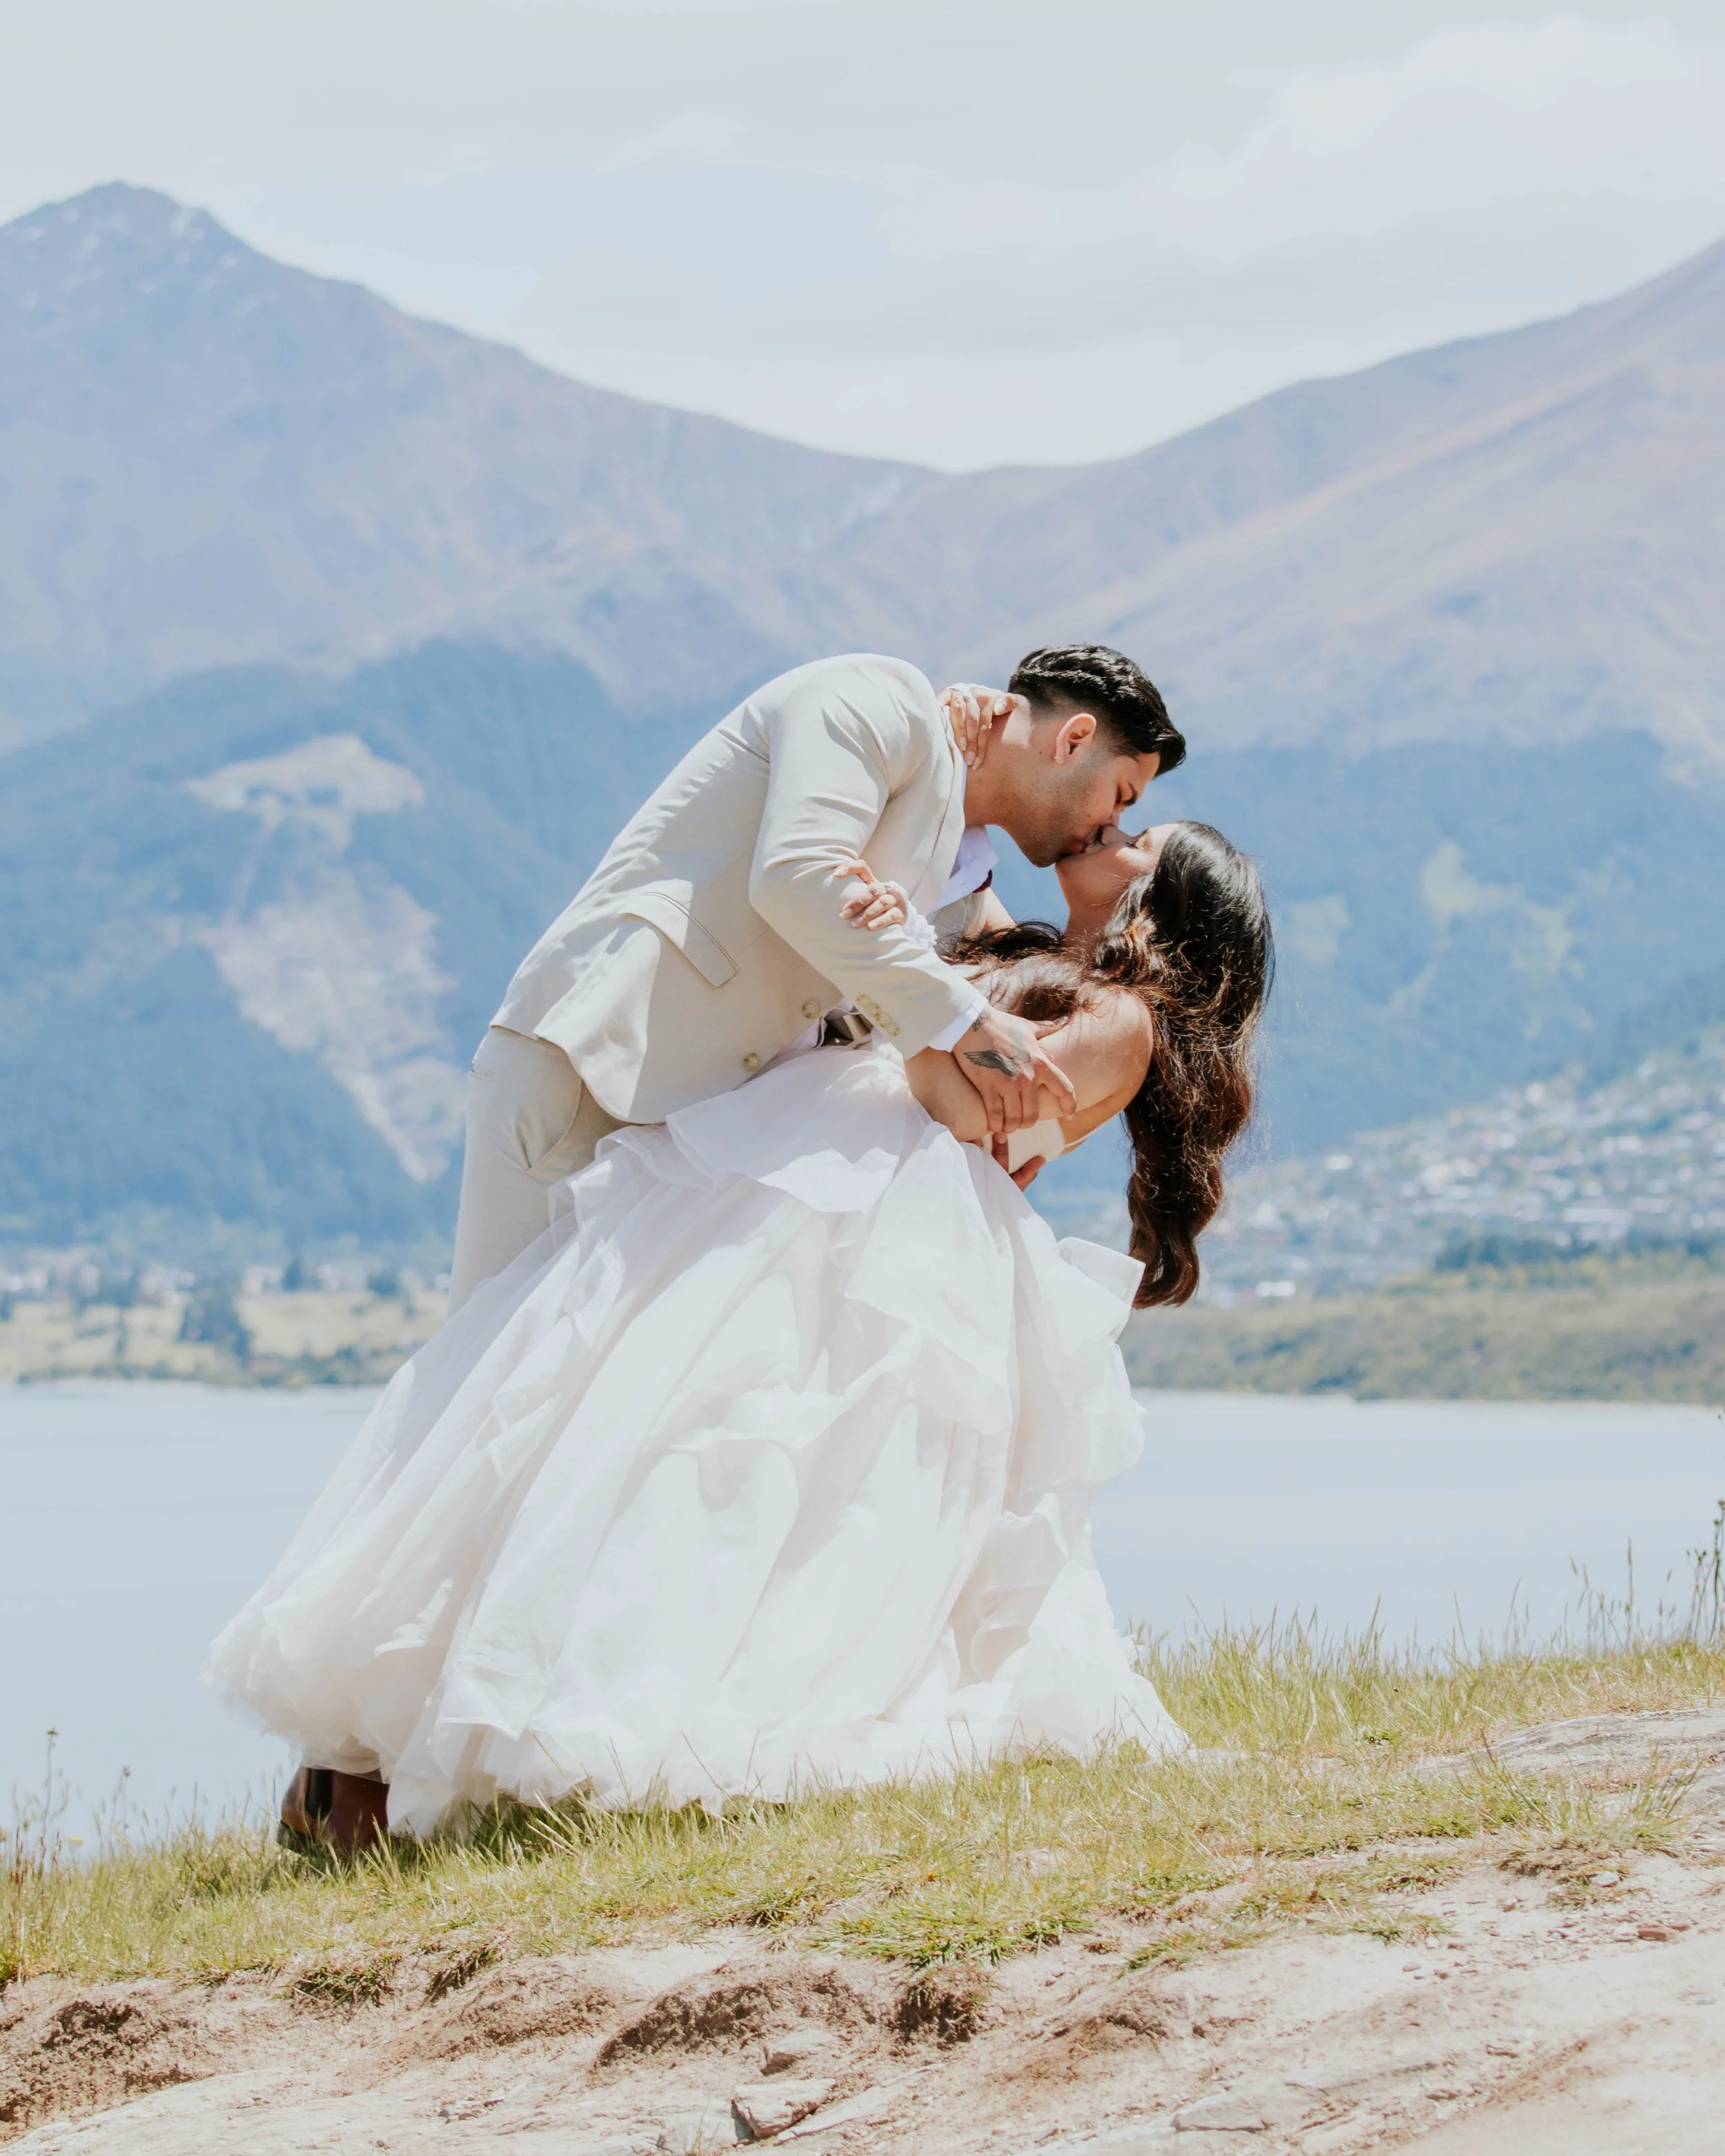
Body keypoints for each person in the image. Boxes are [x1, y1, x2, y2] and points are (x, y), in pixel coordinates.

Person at [207, 795, 1272, 1850]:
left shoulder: (1126, 1025)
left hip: (883, 1225)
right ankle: (367, 1770)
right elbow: (944, 943)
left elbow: (959, 1108)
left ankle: (594, 1734)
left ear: (1164, 905)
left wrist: (896, 980)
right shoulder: (1051, 963)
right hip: (802, 1174)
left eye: (1142, 845)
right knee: (623, 1428)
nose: (1112, 837)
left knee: (753, 1466)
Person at [444, 646, 1182, 1312]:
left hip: (693, 1156)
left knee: (577, 1420)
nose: (1106, 825)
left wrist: (999, 1147)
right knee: (481, 1383)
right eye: (1120, 794)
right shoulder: (878, 700)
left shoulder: (964, 877)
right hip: (594, 1074)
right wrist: (966, 1023)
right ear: (1074, 738)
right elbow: (797, 873)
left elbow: (1010, 997)